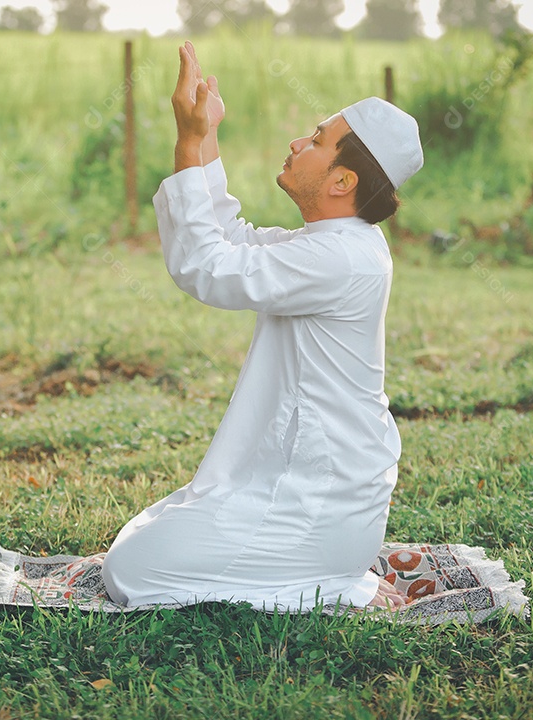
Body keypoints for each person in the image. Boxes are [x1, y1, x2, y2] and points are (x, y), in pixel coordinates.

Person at [101, 42, 424, 612]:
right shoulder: (335, 244)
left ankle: (332, 589)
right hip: (310, 491)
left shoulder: (340, 258)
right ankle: (319, 574)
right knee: (148, 536)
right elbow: (232, 239)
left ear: (342, 182)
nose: (299, 142)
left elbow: (209, 267)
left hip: (319, 505)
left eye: (318, 140)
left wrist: (185, 140)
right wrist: (206, 134)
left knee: (133, 567)